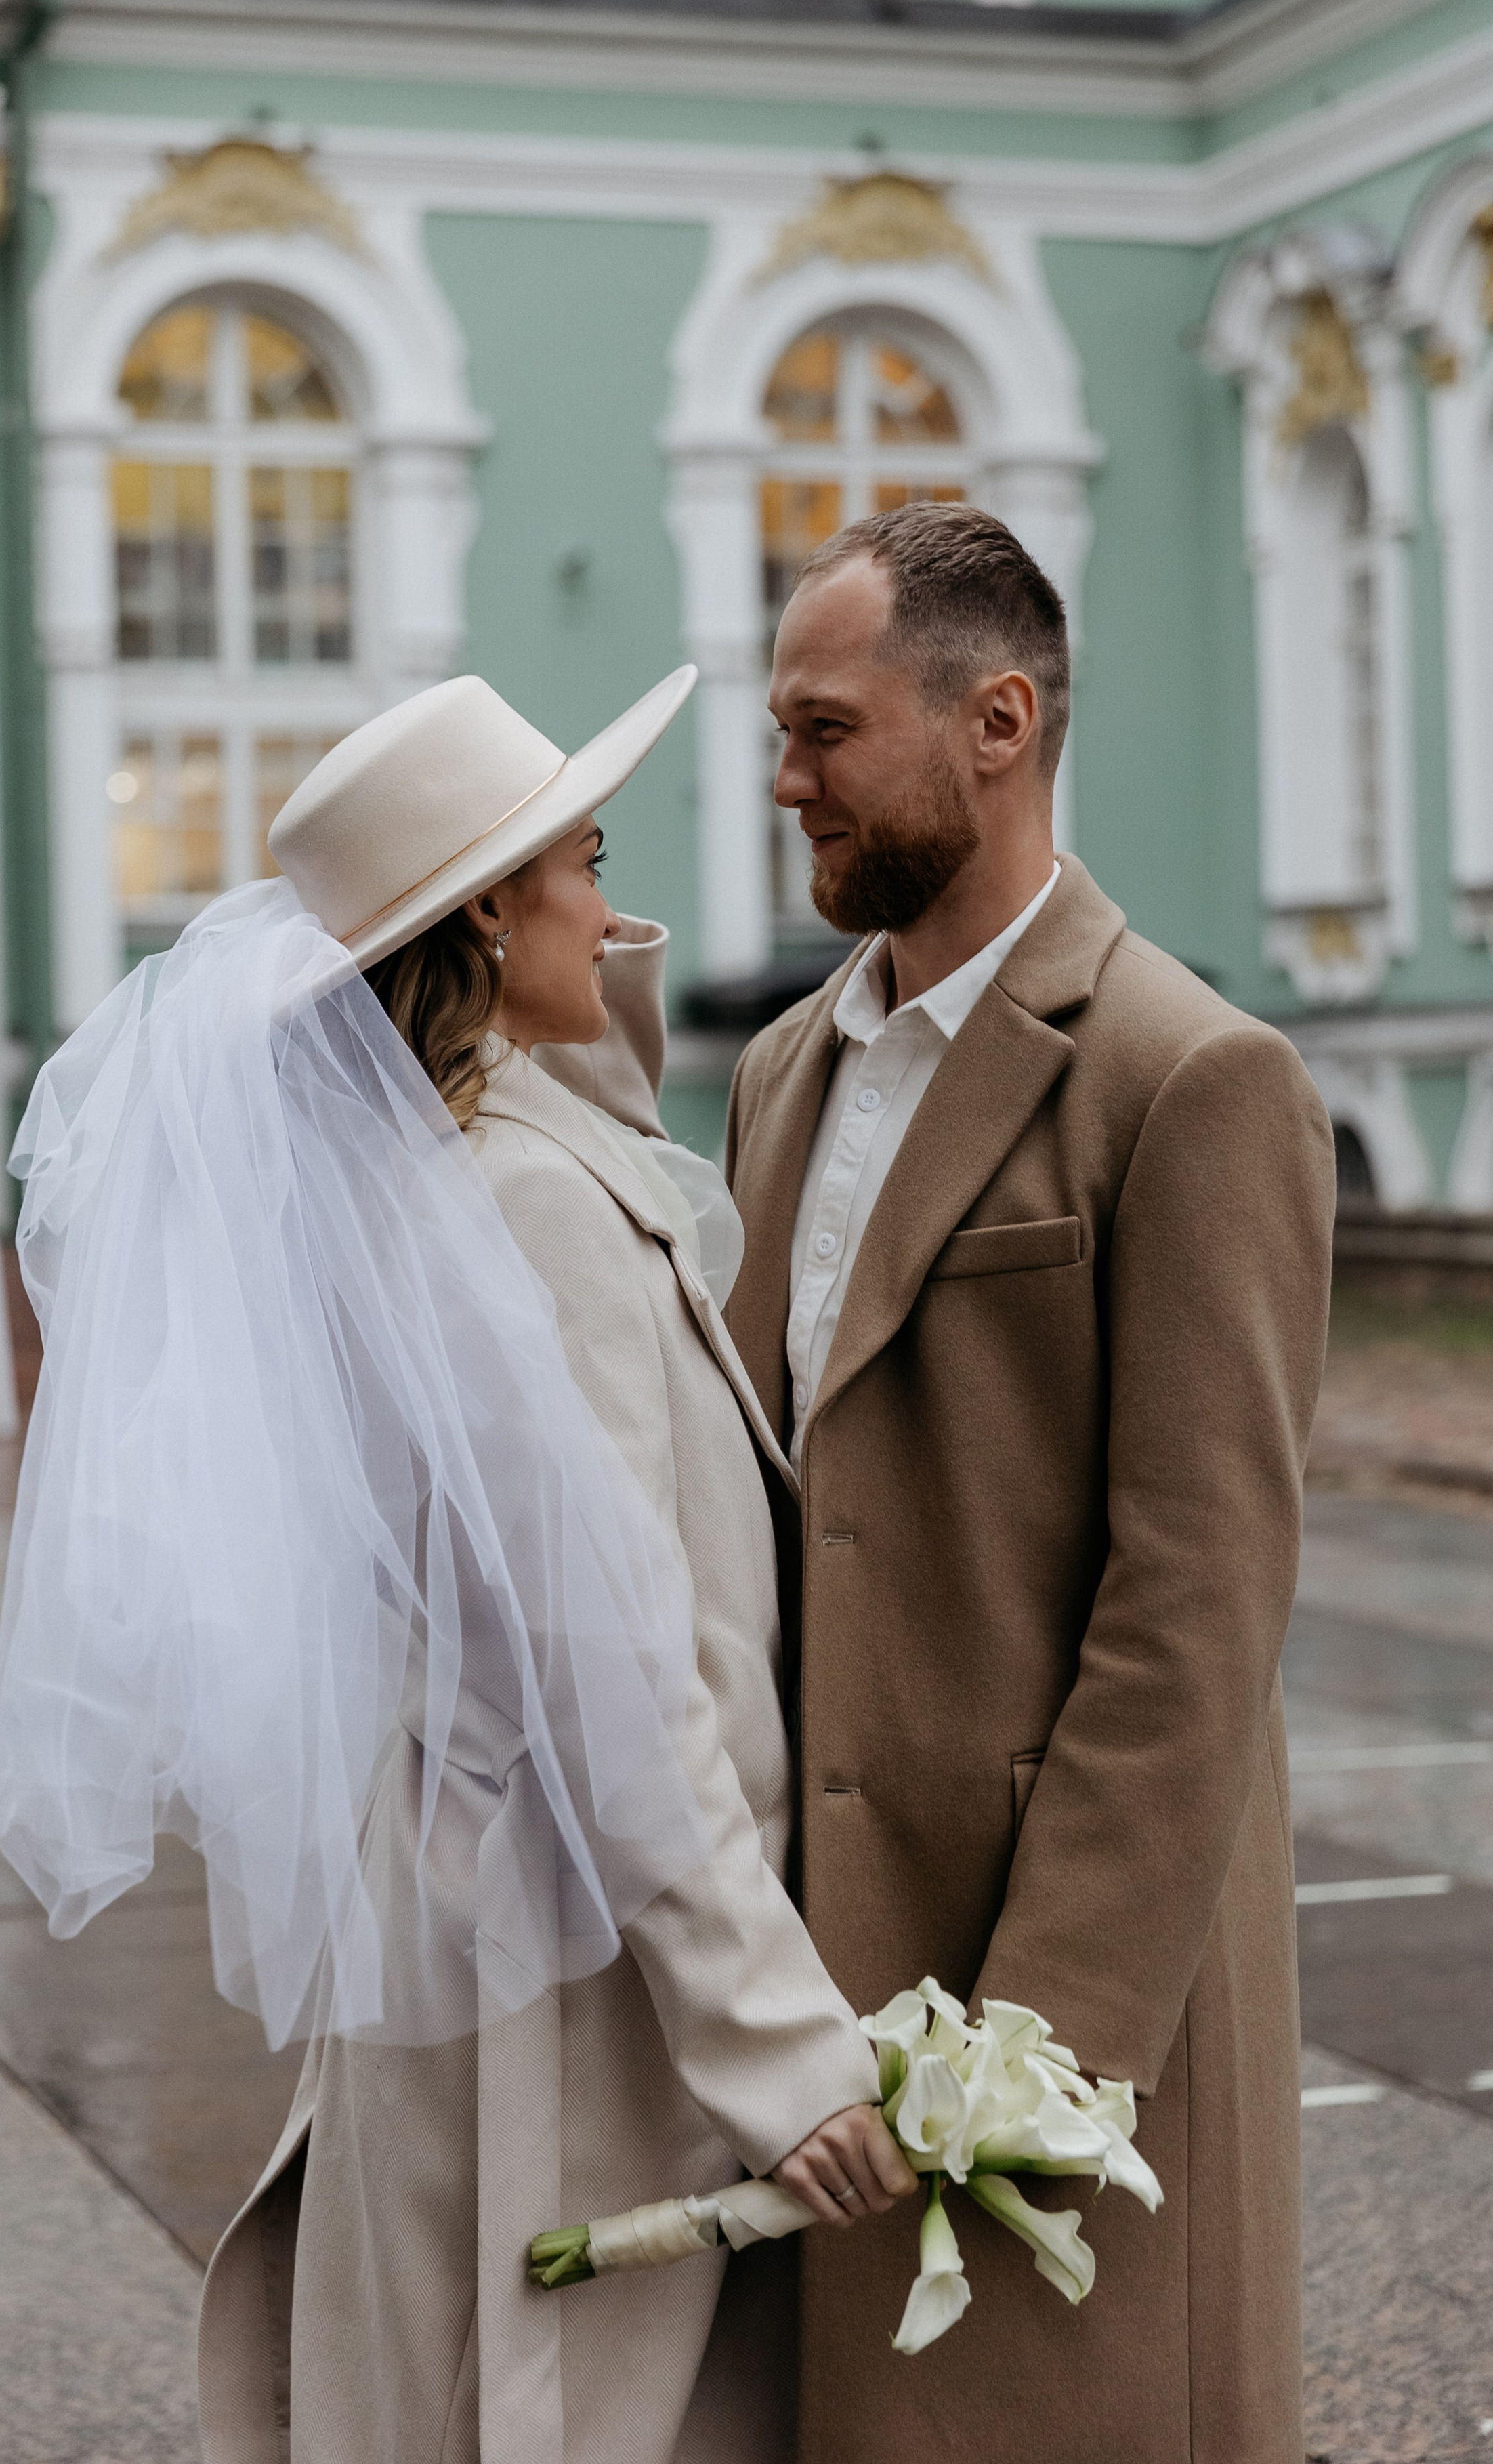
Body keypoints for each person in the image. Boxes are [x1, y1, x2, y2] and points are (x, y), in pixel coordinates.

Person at [0, 664, 912, 2464]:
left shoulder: (464, 1162)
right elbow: (616, 1677)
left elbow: (586, 1073)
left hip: (515, 1948)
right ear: (491, 908)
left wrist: (558, 949)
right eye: (585, 862)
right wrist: (781, 2049)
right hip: (579, 2000)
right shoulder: (520, 1205)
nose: (618, 907)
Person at [724, 501, 1337, 2464]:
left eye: (825, 731)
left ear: (996, 723)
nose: (785, 777)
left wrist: (1039, 2046)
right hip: (810, 2003)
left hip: (1054, 1993)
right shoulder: (777, 1072)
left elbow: (1198, 1600)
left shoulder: (1190, 1077)